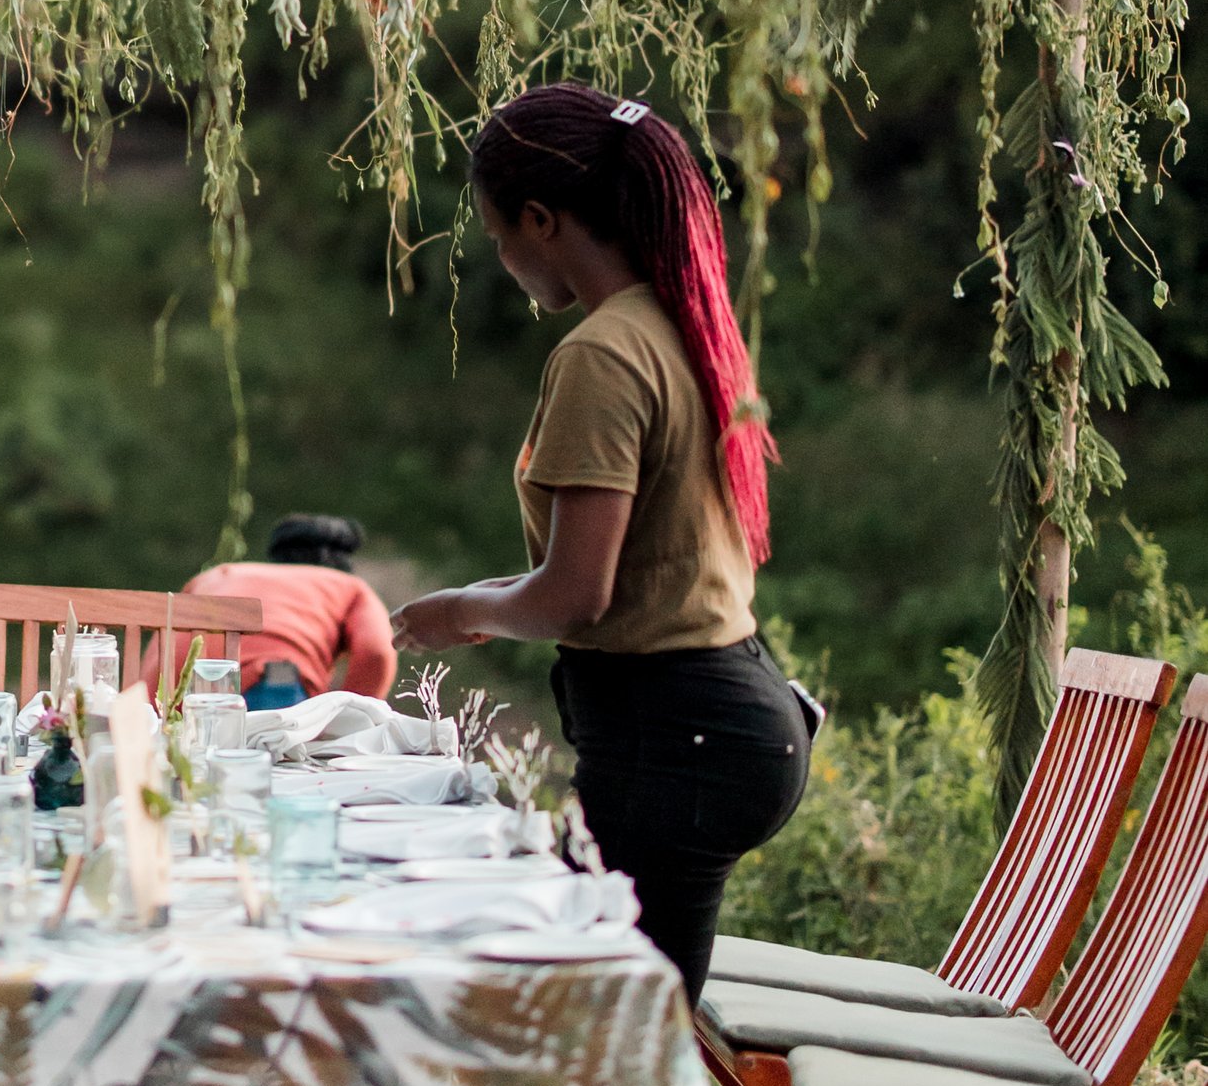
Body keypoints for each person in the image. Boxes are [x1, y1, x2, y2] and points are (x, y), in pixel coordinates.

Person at [392, 82, 809, 1007]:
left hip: (680, 739)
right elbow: (623, 568)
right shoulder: (678, 323)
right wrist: (485, 597)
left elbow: (576, 595)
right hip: (719, 715)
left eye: (499, 232)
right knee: (611, 1027)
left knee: (610, 1038)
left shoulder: (600, 355)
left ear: (541, 220)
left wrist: (462, 611)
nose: (500, 255)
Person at [185, 516, 397, 708]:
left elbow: (169, 643)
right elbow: (376, 651)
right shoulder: (350, 586)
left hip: (202, 689)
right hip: (276, 679)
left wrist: (163, 716)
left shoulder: (219, 574)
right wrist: (350, 717)